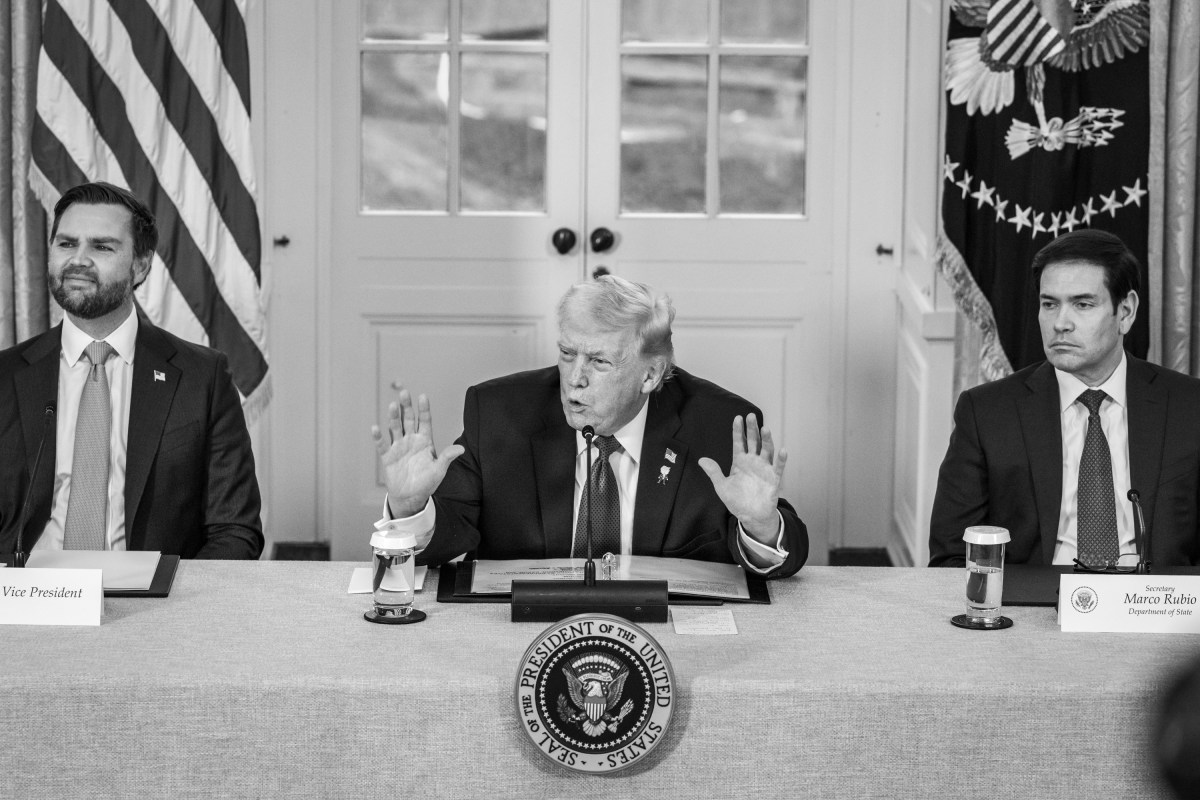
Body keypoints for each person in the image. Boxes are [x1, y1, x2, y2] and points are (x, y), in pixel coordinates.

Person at [372, 274, 807, 578]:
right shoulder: (501, 412)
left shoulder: (714, 424)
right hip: (530, 633)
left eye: (599, 361)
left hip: (665, 638)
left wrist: (760, 526)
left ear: (650, 375)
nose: (574, 378)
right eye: (567, 354)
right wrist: (409, 506)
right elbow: (447, 536)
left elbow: (783, 559)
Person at [0, 182, 262, 560]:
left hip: (153, 604)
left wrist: (176, 612)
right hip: (26, 600)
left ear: (141, 265)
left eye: (102, 246)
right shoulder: (6, 376)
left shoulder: (202, 377)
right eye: (67, 243)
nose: (79, 260)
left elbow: (235, 530)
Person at [929, 229, 1200, 568]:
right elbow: (951, 555)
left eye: (1083, 304)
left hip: (1155, 607)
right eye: (1049, 304)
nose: (1060, 323)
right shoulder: (986, 412)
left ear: (1126, 311)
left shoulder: (1189, 407)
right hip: (1031, 608)